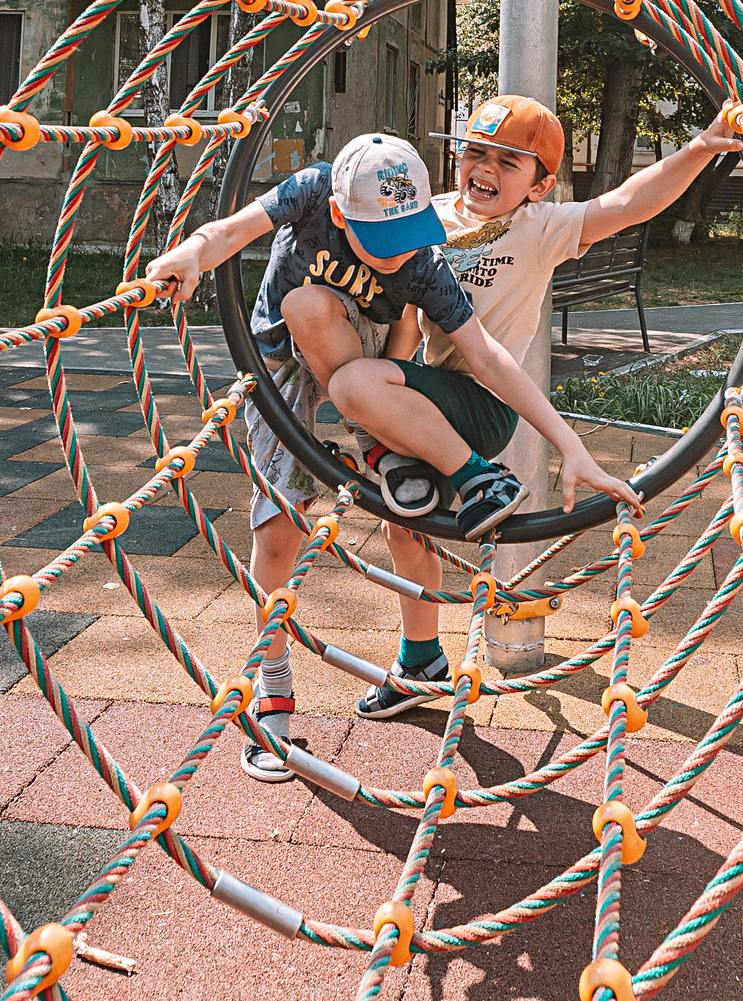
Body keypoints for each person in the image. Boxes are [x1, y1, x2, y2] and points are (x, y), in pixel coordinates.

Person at [143, 131, 639, 779]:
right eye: (383, 239)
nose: (400, 251)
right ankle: (271, 682)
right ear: (342, 214)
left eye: (410, 232)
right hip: (284, 350)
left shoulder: (421, 258)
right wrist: (188, 254)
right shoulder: (314, 191)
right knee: (279, 522)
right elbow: (230, 230)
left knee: (404, 476)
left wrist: (570, 446)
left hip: (370, 360)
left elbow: (488, 356)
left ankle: (413, 599)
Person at [340, 94, 741, 719]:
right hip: (417, 392)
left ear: (540, 183)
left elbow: (628, 203)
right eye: (475, 152)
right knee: (404, 520)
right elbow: (405, 310)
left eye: (509, 162)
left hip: (484, 402)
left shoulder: (541, 227)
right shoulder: (428, 217)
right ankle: (420, 658)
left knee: (357, 384)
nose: (486, 170)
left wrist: (698, 149)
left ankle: (478, 477)